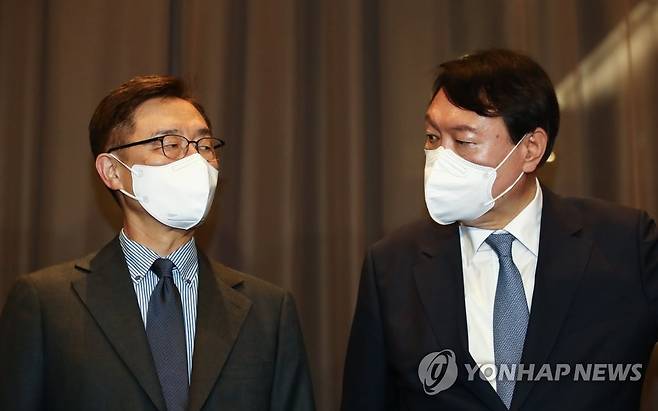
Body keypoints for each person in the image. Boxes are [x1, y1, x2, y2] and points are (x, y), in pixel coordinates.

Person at [341, 49, 658, 410]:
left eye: (463, 141)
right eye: (432, 138)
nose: (441, 158)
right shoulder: (392, 265)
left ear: (531, 149)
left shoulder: (624, 245)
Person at [0, 75, 315, 411]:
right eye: (170, 144)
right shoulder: (46, 304)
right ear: (112, 171)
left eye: (204, 145)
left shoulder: (269, 312)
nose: (195, 161)